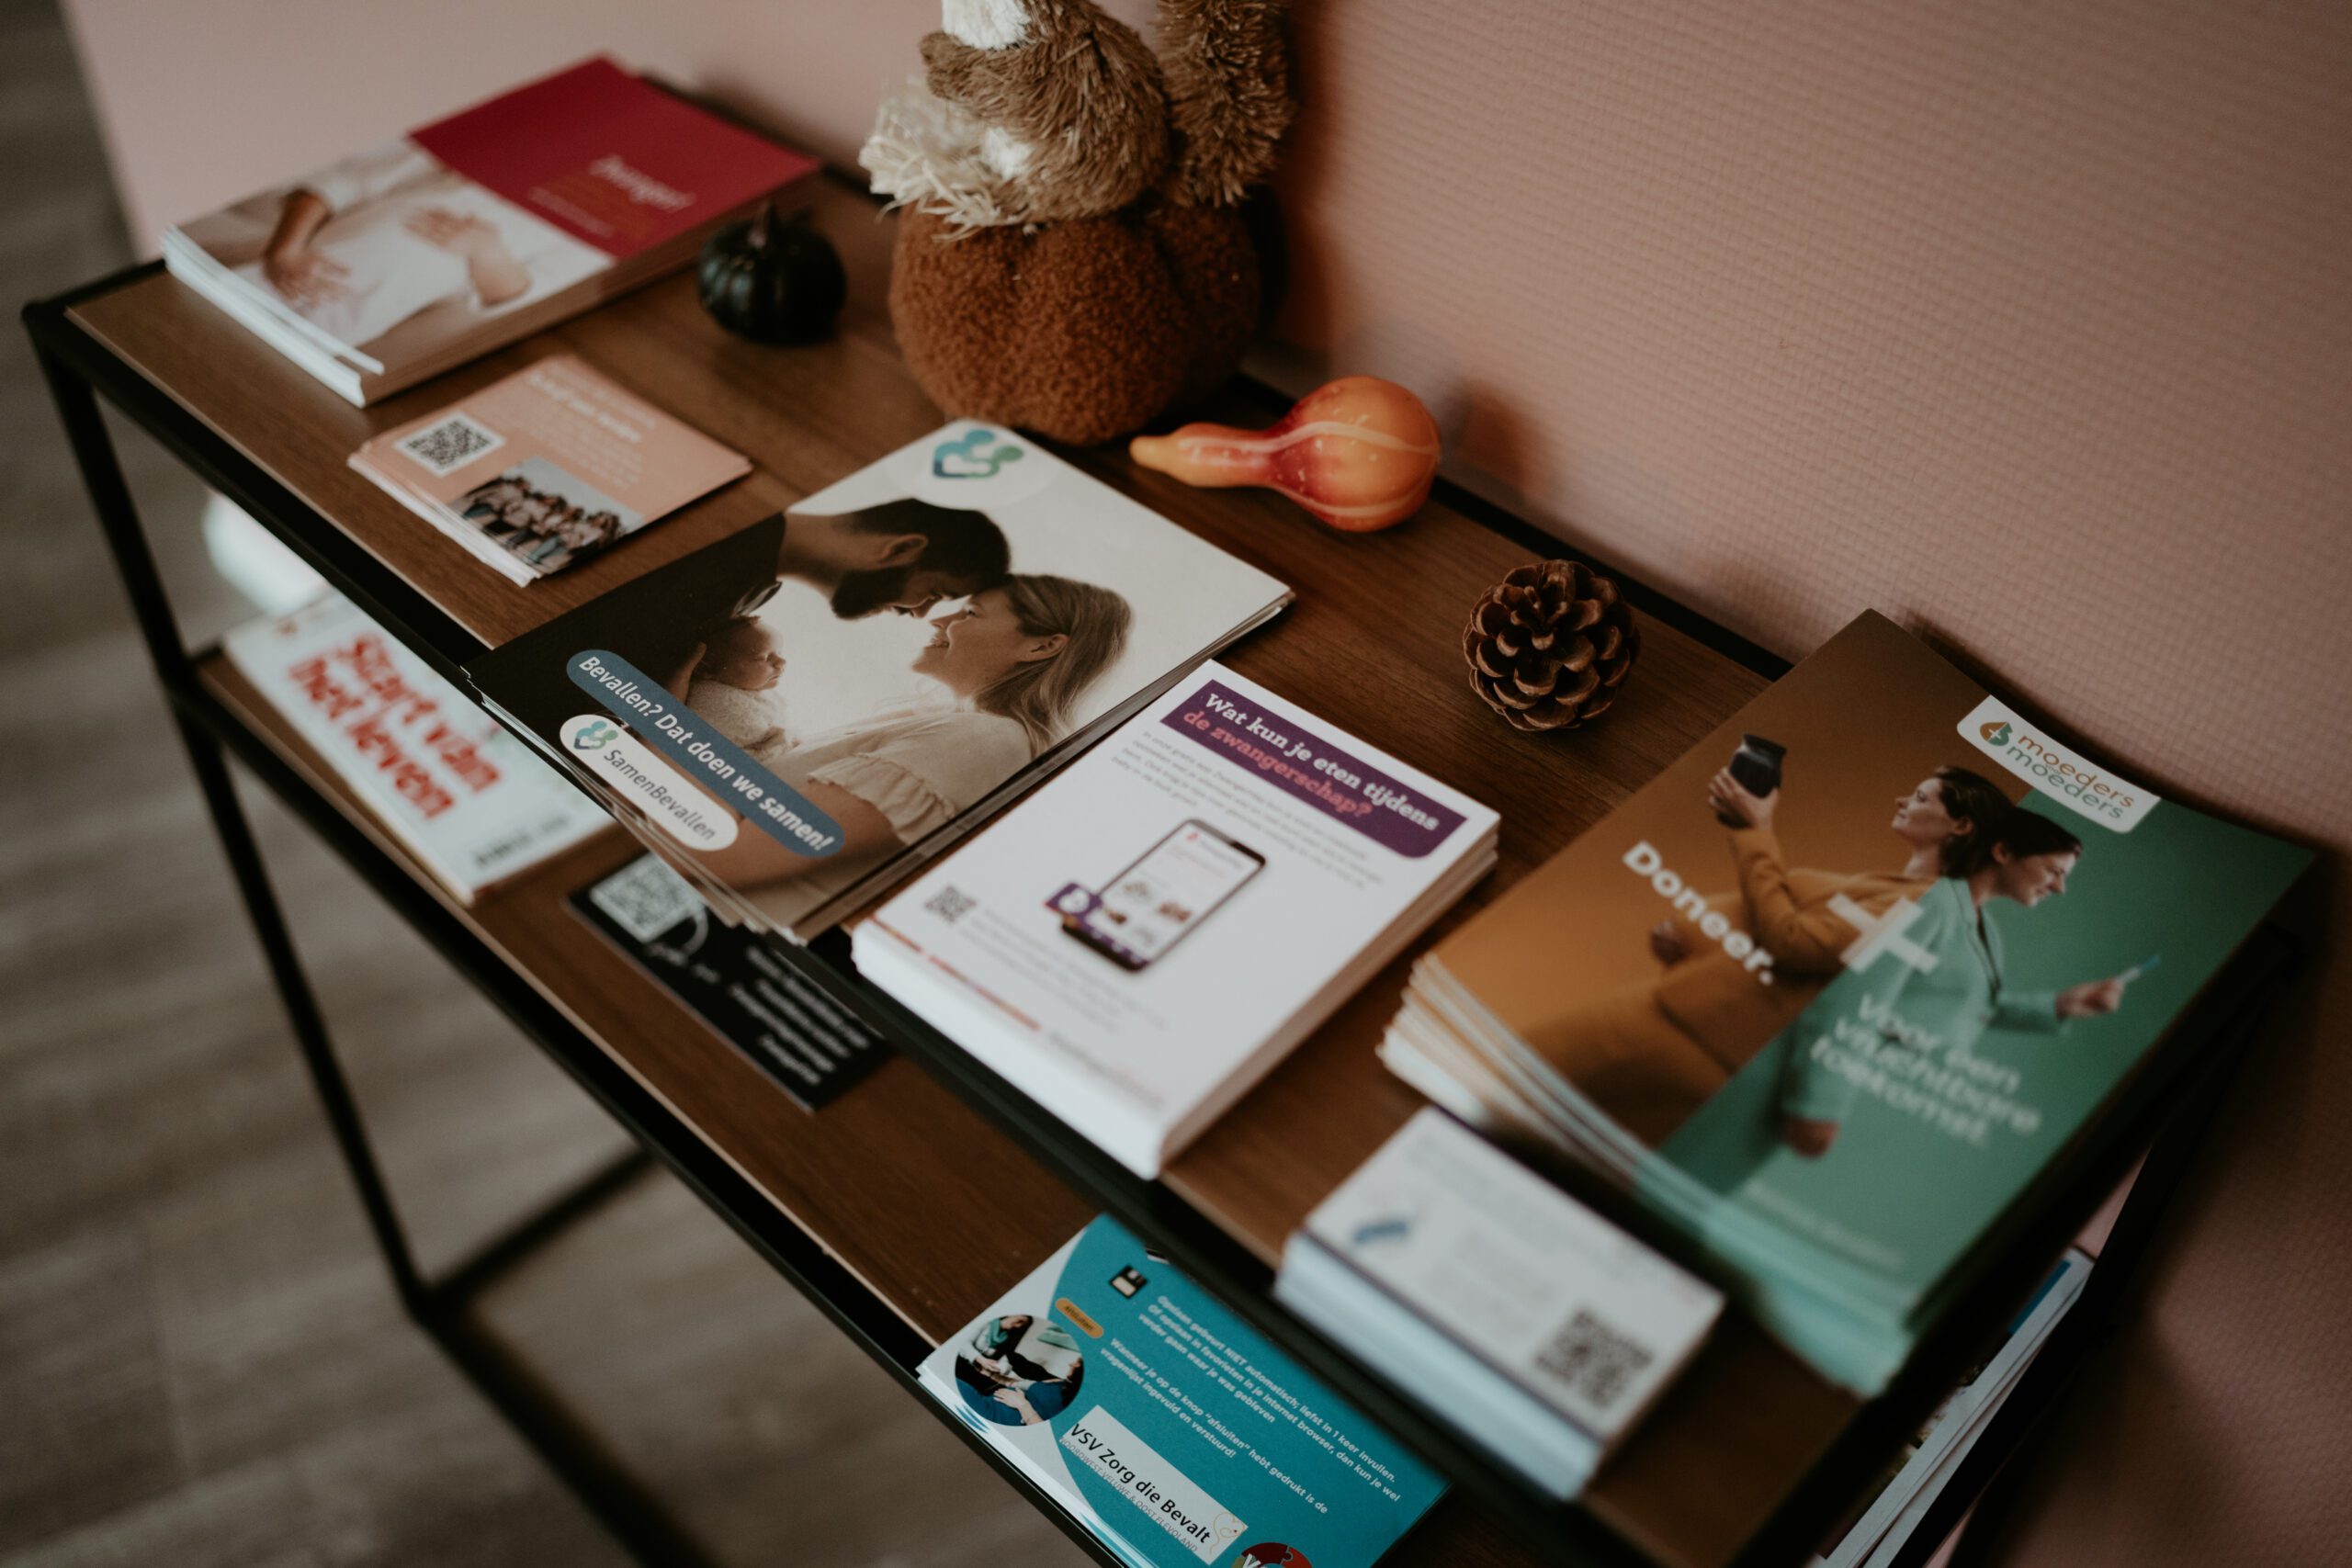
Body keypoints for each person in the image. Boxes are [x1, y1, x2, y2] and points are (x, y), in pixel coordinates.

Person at [1528, 766, 2014, 1149]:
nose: (1903, 800)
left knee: (1513, 1084)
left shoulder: (1918, 909)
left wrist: (1754, 830)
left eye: (1923, 797)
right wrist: (1698, 940)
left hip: (1689, 1031)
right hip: (1708, 1039)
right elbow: (1801, 957)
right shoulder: (1901, 894)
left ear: (1961, 825)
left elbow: (1791, 942)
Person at [696, 575, 1131, 929]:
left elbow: (728, 858)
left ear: (1041, 646)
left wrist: (660, 716)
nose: (938, 620)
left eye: (971, 612)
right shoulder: (935, 721)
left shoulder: (982, 740)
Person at [1768, 807, 2132, 1153]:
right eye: (2054, 871)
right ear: (2003, 851)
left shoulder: (1983, 925)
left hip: (1868, 1091)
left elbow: (1962, 999)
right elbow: (1856, 995)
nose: (2059, 888)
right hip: (1792, 1084)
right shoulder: (1933, 902)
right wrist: (1818, 1104)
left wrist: (2058, 1006)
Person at [684, 617, 789, 753]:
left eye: (779, 652)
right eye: (764, 658)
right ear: (707, 670)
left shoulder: (752, 687)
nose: (782, 661)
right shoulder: (714, 702)